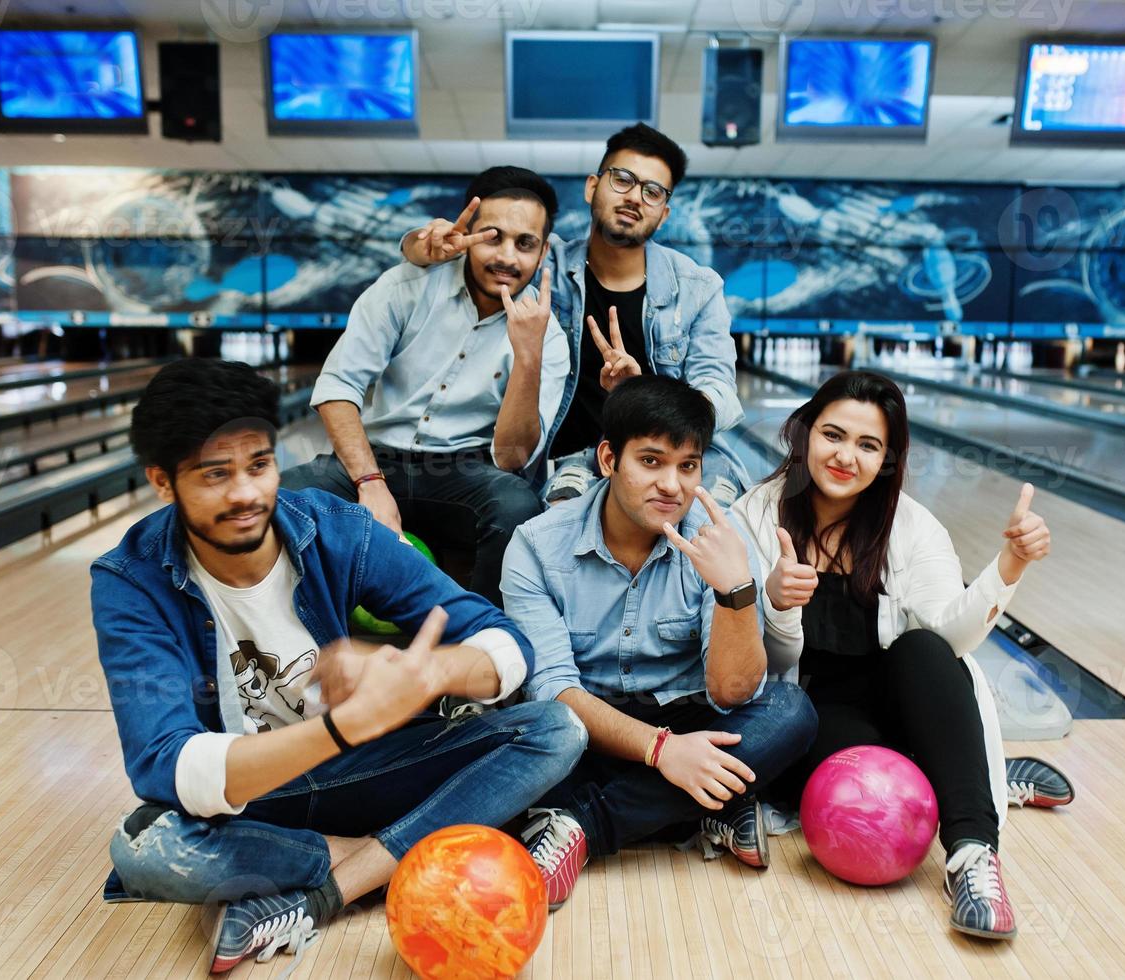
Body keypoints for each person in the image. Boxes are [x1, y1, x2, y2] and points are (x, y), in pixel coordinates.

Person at [90, 359, 587, 974]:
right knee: (146, 848)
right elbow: (166, 765)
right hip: (259, 797)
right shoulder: (130, 580)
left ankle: (321, 894)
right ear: (163, 482)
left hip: (370, 771)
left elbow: (507, 647)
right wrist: (336, 728)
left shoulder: (334, 529)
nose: (246, 494)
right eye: (215, 475)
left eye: (259, 465)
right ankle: (403, 856)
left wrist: (431, 673)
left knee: (554, 729)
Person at [728, 370, 1074, 941]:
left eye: (869, 445)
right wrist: (777, 602)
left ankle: (972, 857)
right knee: (872, 781)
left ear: (888, 459)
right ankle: (975, 777)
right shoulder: (756, 517)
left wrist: (1008, 568)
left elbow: (951, 639)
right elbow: (759, 662)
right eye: (833, 435)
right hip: (808, 711)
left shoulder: (912, 527)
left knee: (923, 648)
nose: (846, 456)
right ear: (805, 432)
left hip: (898, 699)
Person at [500, 375, 818, 909]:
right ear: (607, 459)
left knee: (790, 711)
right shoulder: (536, 546)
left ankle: (582, 827)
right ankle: (701, 807)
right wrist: (660, 751)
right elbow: (554, 692)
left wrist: (736, 591)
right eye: (651, 461)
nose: (672, 485)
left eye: (688, 466)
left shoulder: (721, 543)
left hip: (690, 719)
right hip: (586, 733)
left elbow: (733, 695)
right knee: (526, 736)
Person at [401, 123, 747, 506]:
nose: (635, 197)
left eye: (652, 192)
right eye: (623, 180)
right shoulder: (541, 262)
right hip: (569, 461)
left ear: (663, 214)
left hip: (666, 452)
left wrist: (646, 397)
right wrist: (419, 246)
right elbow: (477, 247)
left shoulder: (698, 288)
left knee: (716, 526)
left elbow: (720, 393)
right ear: (592, 187)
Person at [281, 166, 571, 604]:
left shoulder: (547, 335)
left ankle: (478, 644)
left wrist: (528, 356)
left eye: (524, 243)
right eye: (493, 237)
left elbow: (512, 457)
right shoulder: (406, 286)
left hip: (464, 473)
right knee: (277, 497)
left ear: (543, 250)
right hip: (373, 460)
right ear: (467, 231)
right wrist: (370, 482)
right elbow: (337, 387)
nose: (508, 257)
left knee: (517, 508)